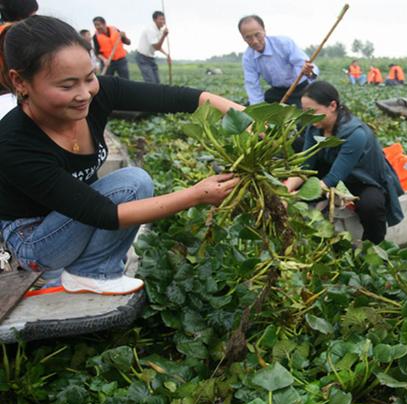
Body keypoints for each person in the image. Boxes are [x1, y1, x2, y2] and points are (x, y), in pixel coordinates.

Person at [0, 16, 243, 295]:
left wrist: (244, 115)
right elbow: (105, 214)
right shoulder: (13, 143)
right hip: (36, 240)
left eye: (89, 77)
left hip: (74, 215)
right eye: (67, 86)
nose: (84, 94)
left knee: (131, 182)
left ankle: (87, 267)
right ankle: (90, 271)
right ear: (20, 82)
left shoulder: (98, 93)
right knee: (132, 182)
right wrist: (198, 194)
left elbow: (176, 98)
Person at [284, 81, 404, 244]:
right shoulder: (314, 127)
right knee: (297, 190)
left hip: (362, 179)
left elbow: (333, 178)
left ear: (332, 105)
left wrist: (295, 197)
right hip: (330, 170)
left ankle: (372, 248)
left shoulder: (356, 134)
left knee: (371, 206)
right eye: (305, 112)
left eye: (312, 111)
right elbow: (305, 166)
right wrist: (285, 190)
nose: (308, 117)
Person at [238, 15, 318, 106]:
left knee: (301, 113)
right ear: (243, 38)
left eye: (257, 35)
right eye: (248, 37)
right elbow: (252, 85)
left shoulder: (284, 43)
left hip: (299, 88)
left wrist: (309, 72)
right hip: (278, 91)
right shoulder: (248, 57)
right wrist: (258, 111)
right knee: (249, 108)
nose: (254, 41)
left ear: (264, 31)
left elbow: (305, 65)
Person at [136, 11, 170, 84]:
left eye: (164, 19)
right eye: (161, 19)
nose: (163, 21)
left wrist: (166, 55)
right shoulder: (150, 30)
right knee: (151, 82)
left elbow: (158, 46)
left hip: (151, 58)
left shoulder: (160, 30)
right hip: (143, 58)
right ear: (154, 20)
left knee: (157, 82)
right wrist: (164, 36)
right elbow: (157, 47)